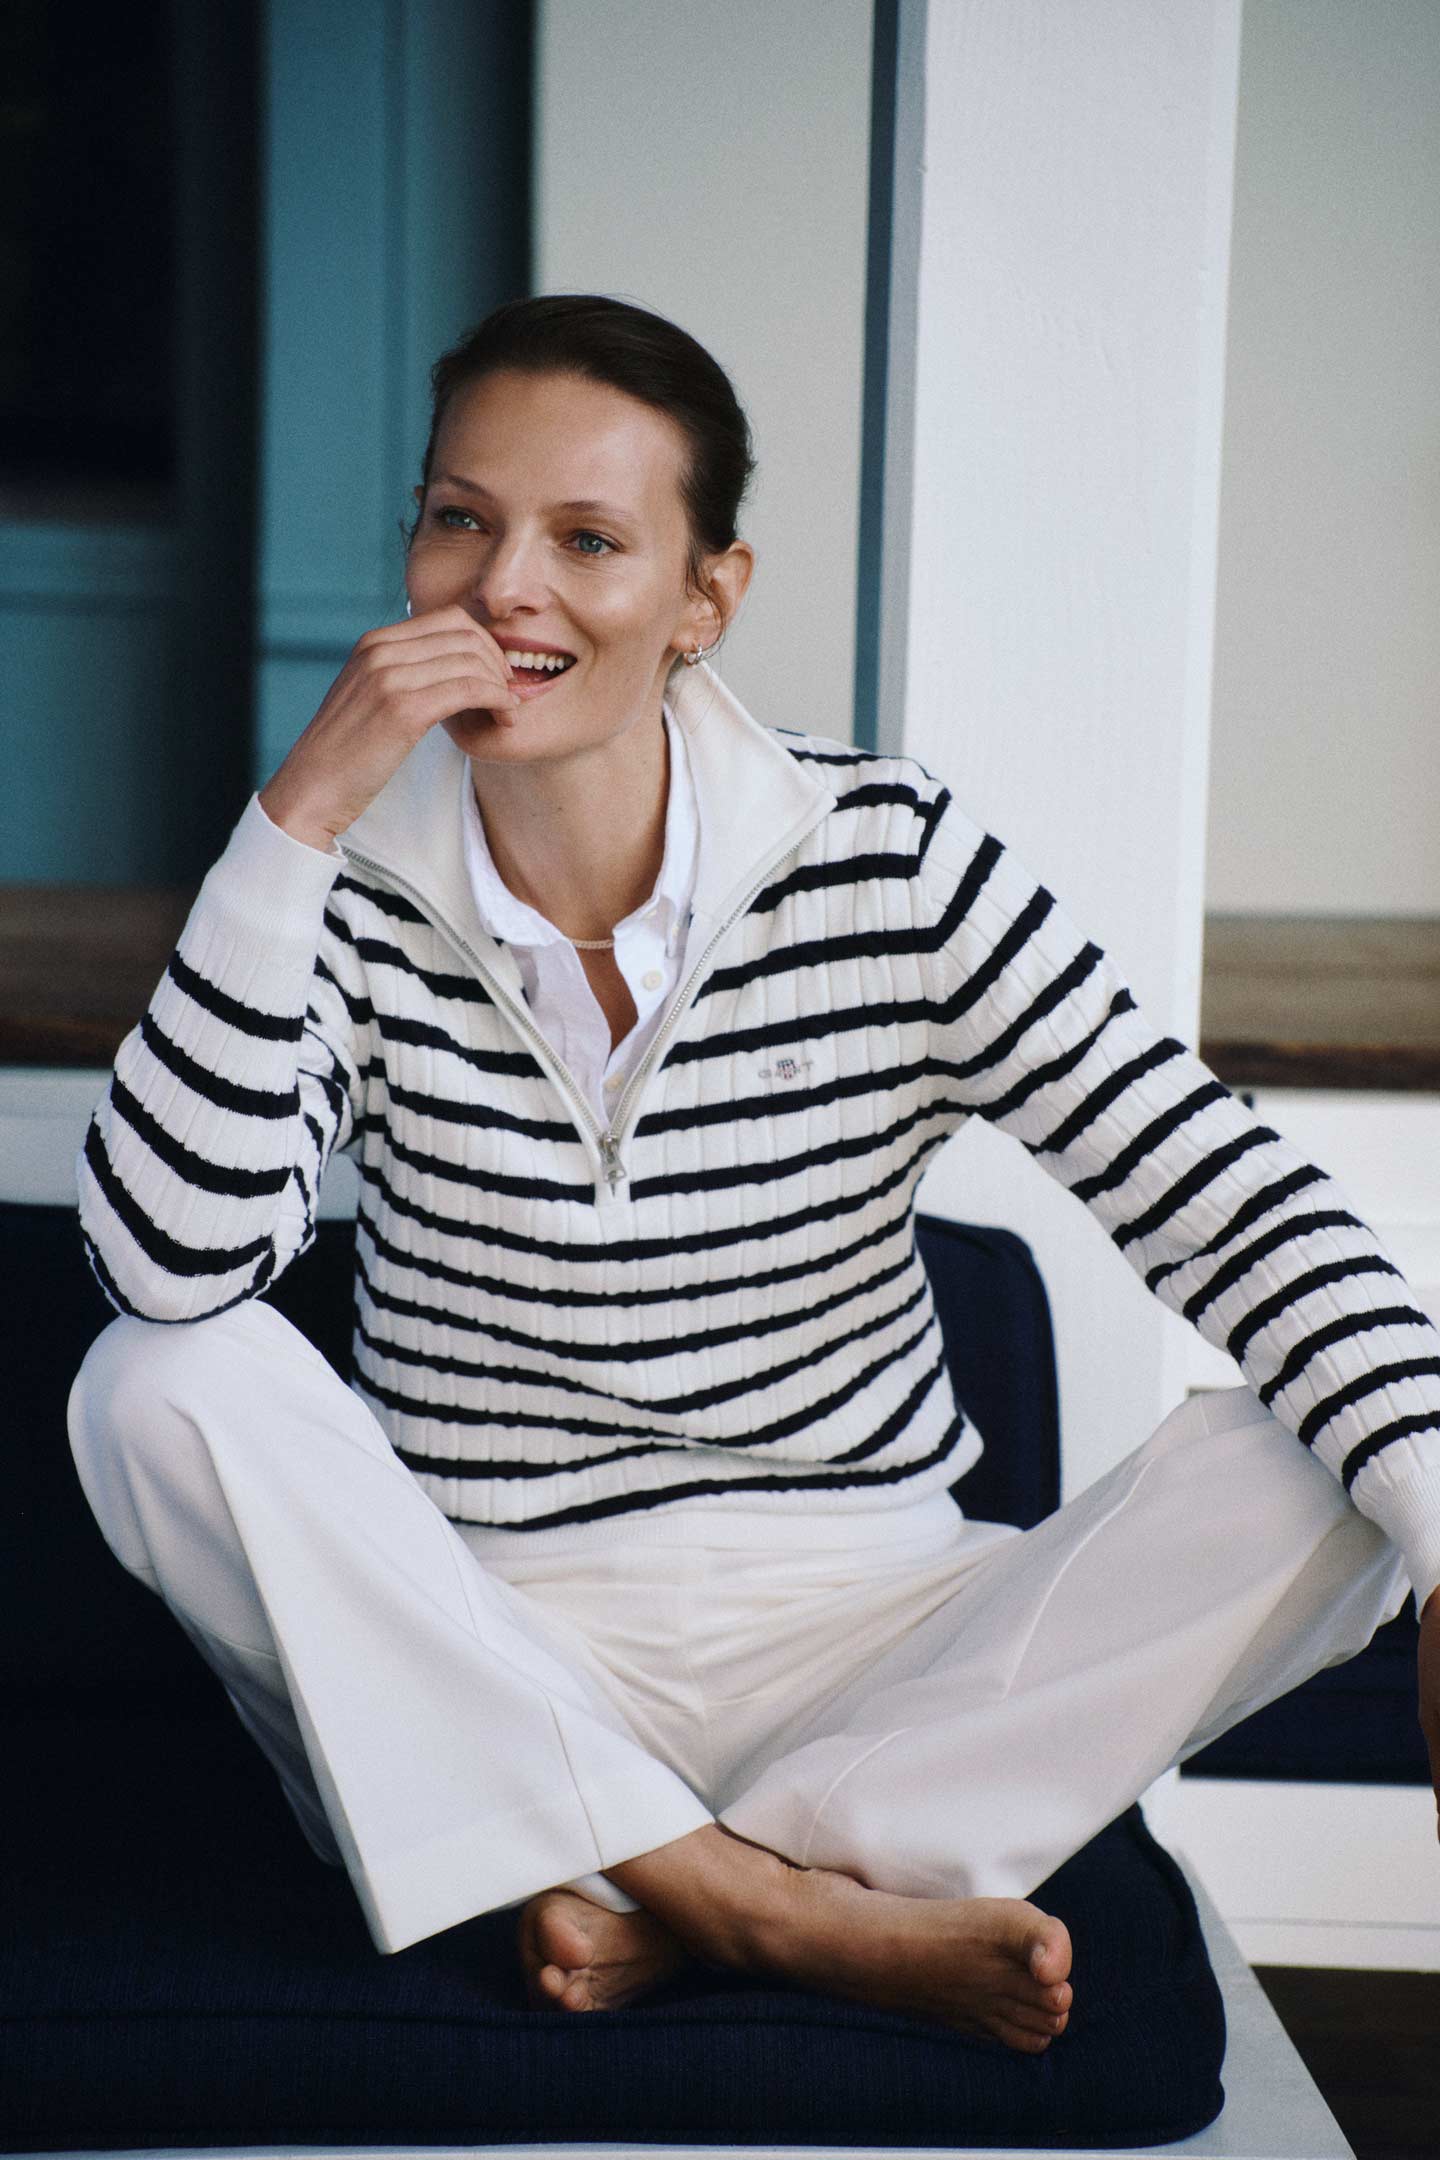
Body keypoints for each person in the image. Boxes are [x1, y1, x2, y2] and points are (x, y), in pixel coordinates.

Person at [68, 294, 1440, 2055]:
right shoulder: (327, 892)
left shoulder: (889, 857)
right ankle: (756, 1905)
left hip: (876, 1628)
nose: (504, 589)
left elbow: (1225, 1196)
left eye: (587, 539)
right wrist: (296, 821)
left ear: (707, 598)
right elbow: (168, 1265)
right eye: (459, 520)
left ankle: (657, 1878)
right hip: (495, 1650)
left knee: (1338, 1457)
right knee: (154, 1383)